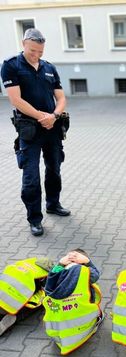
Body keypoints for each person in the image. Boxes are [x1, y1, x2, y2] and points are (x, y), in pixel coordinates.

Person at [0, 28, 70, 237]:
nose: (36, 55)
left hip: (52, 128)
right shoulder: (11, 65)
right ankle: (34, 219)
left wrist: (54, 117)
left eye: (40, 51)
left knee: (54, 169)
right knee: (31, 177)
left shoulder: (49, 67)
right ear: (23, 44)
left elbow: (61, 98)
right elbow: (16, 100)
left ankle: (53, 204)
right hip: (30, 130)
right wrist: (42, 116)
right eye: (32, 51)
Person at [43, 249, 103, 355]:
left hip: (58, 333)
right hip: (80, 327)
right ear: (82, 263)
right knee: (90, 292)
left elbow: (49, 282)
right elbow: (95, 275)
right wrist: (88, 262)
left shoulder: (56, 274)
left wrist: (60, 264)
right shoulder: (84, 273)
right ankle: (92, 324)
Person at [0, 257, 53, 335]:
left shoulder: (17, 266)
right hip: (9, 307)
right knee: (35, 303)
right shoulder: (39, 277)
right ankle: (15, 317)